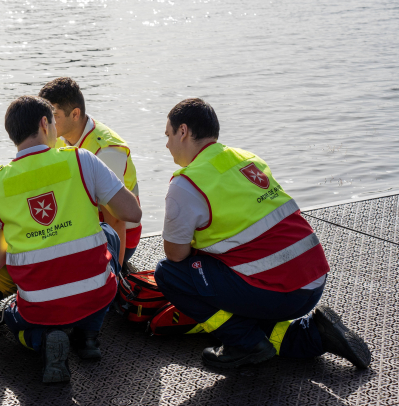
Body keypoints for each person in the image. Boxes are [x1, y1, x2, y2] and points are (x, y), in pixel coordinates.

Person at [154, 98, 371, 369]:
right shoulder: (246, 158)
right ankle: (316, 336)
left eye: (168, 135)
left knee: (170, 274)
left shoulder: (186, 183)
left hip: (281, 290)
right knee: (247, 312)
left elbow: (175, 254)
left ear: (183, 131)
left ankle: (243, 343)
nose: (166, 144)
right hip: (313, 279)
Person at [0, 96, 142, 383]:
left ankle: (44, 340)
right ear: (45, 124)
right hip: (95, 291)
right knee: (107, 234)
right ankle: (89, 335)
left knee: (14, 317)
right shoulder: (81, 159)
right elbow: (132, 212)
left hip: (39, 303)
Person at [38, 77, 142, 268]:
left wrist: (115, 277)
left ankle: (121, 273)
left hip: (120, 236)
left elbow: (116, 221)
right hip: (84, 225)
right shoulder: (57, 137)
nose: (45, 123)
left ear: (75, 114)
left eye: (53, 115)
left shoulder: (107, 150)